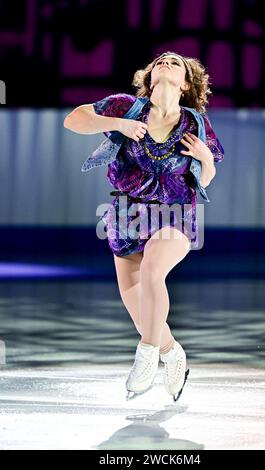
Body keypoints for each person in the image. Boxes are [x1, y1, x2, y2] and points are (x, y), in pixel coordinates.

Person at [64, 51, 224, 401]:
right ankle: (172, 352)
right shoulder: (126, 107)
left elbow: (207, 179)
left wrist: (206, 159)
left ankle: (147, 354)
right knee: (136, 303)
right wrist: (117, 124)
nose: (165, 62)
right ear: (150, 78)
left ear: (184, 83)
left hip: (176, 213)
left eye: (175, 62)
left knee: (154, 270)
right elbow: (74, 120)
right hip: (126, 214)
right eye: (159, 62)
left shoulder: (195, 123)